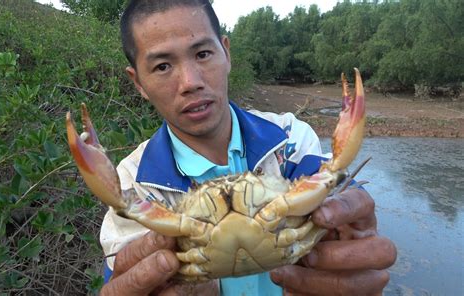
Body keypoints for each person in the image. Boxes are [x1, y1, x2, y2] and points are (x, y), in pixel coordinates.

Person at [98, 0, 397, 295]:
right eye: (162, 66)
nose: (190, 82)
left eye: (202, 53)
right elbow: (124, 275)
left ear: (226, 52)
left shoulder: (289, 139)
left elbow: (336, 184)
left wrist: (353, 236)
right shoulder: (131, 185)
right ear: (137, 82)